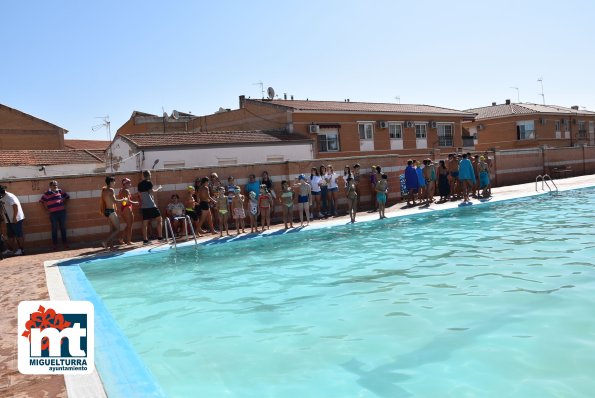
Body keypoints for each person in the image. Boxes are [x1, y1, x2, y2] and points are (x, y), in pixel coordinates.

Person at [39, 180, 69, 250]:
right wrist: (47, 210)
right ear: (50, 186)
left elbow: (67, 197)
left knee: (63, 228)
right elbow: (42, 201)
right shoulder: (47, 193)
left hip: (62, 212)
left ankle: (65, 243)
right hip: (53, 214)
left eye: (56, 185)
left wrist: (63, 201)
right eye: (54, 185)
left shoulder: (60, 191)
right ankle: (55, 245)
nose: (55, 186)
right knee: (54, 228)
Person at [138, 170, 163, 244]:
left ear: (143, 175)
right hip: (151, 205)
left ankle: (145, 240)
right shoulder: (149, 182)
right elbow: (152, 192)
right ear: (149, 175)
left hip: (144, 206)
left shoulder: (139, 184)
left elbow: (140, 194)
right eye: (150, 174)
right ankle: (160, 237)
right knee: (159, 219)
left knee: (145, 223)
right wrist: (159, 188)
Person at [99, 176, 123, 250]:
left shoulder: (104, 190)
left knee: (112, 230)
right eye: (113, 181)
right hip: (111, 211)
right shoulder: (111, 190)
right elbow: (115, 201)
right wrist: (123, 199)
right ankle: (105, 242)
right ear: (110, 182)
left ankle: (111, 246)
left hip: (107, 211)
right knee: (118, 229)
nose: (115, 183)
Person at [0, 185, 25, 256]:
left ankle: (21, 249)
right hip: (8, 219)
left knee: (19, 234)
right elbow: (1, 206)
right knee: (10, 235)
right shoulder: (2, 197)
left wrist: (15, 217)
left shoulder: (10, 197)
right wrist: (1, 214)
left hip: (16, 219)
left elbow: (15, 206)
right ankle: (10, 250)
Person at [118, 178, 138, 245]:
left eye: (130, 182)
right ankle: (128, 241)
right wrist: (135, 203)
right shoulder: (126, 191)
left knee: (128, 225)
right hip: (127, 208)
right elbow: (127, 201)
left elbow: (124, 200)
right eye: (128, 183)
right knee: (130, 226)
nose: (130, 184)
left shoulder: (121, 190)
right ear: (124, 184)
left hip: (124, 208)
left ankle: (121, 238)